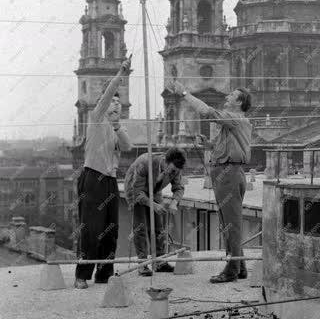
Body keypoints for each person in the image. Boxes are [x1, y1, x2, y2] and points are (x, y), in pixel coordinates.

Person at [167, 81, 252, 283]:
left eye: (232, 95)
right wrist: (209, 144)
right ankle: (239, 267)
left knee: (231, 223)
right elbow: (227, 145)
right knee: (229, 222)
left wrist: (185, 93)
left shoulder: (234, 118)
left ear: (239, 102)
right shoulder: (235, 122)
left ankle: (231, 270)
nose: (227, 97)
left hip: (228, 173)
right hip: (228, 172)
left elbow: (207, 111)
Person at [75, 57, 132, 289]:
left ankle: (104, 273)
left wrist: (118, 126)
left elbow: (127, 146)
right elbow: (108, 94)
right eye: (113, 102)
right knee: (92, 229)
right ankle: (82, 275)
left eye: (119, 103)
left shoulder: (114, 127)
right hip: (93, 179)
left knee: (111, 229)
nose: (116, 105)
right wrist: (120, 74)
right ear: (104, 104)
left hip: (109, 181)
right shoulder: (96, 119)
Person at [124, 147, 186, 276]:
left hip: (154, 190)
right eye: (173, 170)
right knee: (140, 227)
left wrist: (174, 202)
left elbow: (179, 187)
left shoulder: (176, 168)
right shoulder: (144, 163)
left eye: (176, 171)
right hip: (135, 189)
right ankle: (142, 264)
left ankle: (159, 262)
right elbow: (138, 193)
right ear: (165, 161)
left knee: (159, 227)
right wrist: (154, 205)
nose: (174, 173)